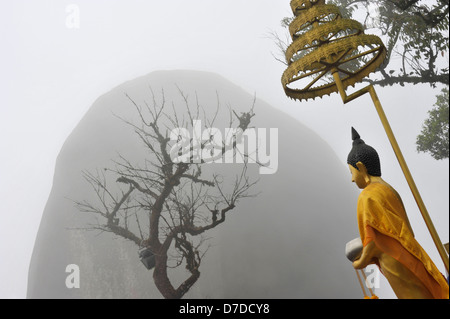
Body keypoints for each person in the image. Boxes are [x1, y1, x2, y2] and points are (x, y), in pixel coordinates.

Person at [347, 127, 449, 299]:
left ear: (361, 167)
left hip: (395, 260)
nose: (351, 179)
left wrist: (362, 261)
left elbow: (373, 240)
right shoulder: (391, 191)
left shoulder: (367, 196)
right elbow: (409, 230)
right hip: (412, 255)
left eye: (351, 172)